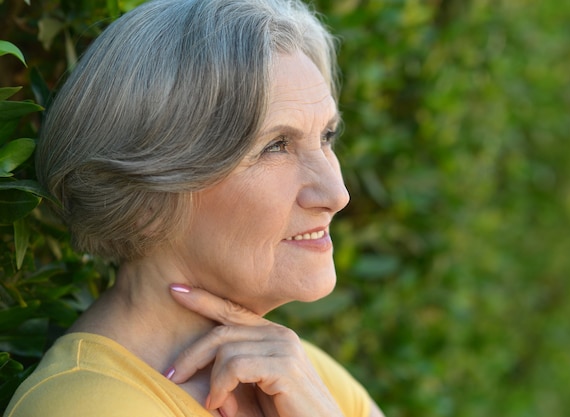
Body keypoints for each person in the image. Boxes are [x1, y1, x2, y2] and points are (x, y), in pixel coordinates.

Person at [5, 0, 385, 416]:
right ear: (147, 196)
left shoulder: (298, 372)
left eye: (327, 136)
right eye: (276, 146)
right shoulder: (86, 407)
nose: (337, 192)